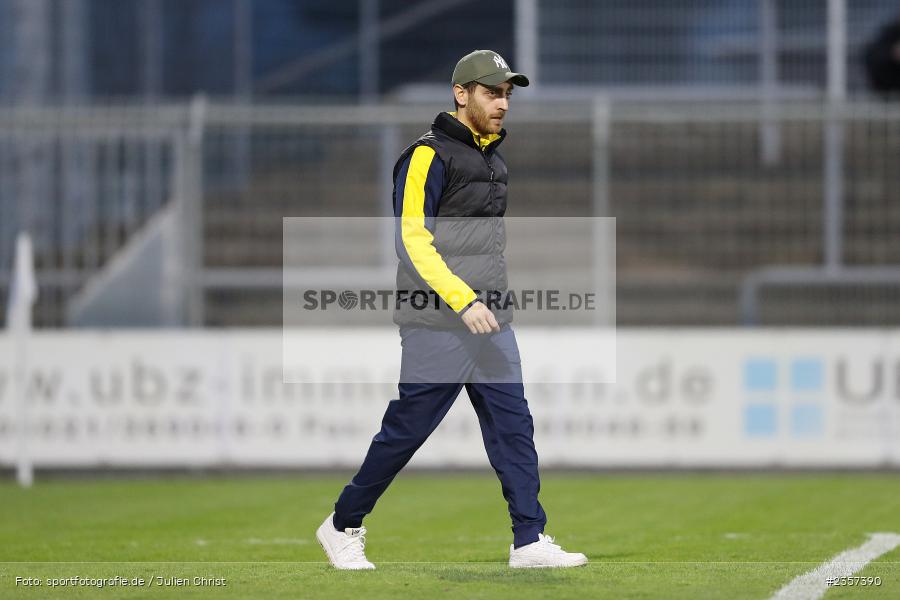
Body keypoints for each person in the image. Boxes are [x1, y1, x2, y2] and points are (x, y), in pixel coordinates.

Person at [316, 50, 587, 570]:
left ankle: (529, 540)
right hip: (438, 320)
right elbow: (412, 241)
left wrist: (488, 304)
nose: (503, 103)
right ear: (461, 94)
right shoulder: (427, 155)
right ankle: (342, 523)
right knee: (408, 430)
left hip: (491, 320)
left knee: (514, 427)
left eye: (507, 93)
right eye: (492, 92)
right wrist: (463, 300)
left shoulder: (492, 160)